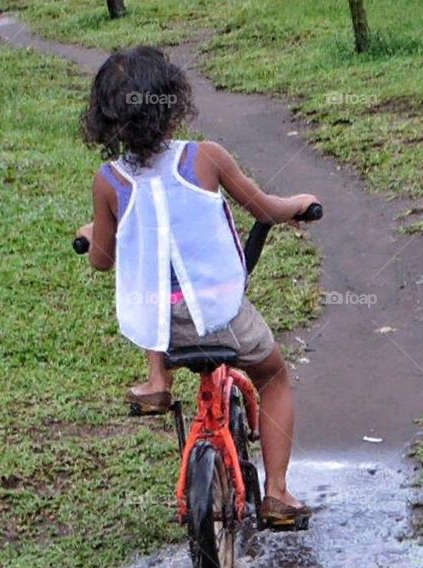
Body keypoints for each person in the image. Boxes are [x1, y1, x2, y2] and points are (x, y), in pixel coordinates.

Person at [76, 46, 317, 524]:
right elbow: (265, 209)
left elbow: (103, 261)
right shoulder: (205, 158)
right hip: (221, 316)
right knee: (273, 376)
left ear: (105, 120)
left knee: (150, 281)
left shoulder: (109, 181)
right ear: (173, 101)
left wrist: (93, 231)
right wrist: (297, 204)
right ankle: (279, 494)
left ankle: (157, 380)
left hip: (162, 329)